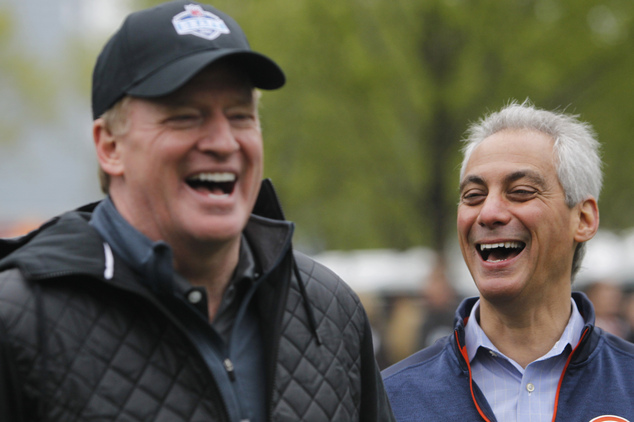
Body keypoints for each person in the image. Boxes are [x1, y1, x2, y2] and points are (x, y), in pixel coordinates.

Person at [0, 2, 394, 421]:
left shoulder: (329, 310)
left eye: (241, 115)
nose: (223, 143)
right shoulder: (21, 320)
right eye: (186, 117)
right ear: (110, 147)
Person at [382, 101, 634, 421]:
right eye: (473, 195)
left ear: (583, 218)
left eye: (521, 191)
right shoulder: (390, 399)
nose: (488, 213)